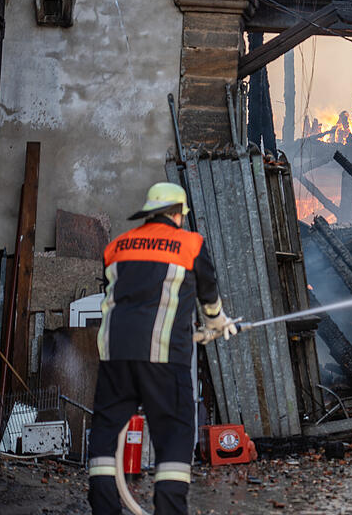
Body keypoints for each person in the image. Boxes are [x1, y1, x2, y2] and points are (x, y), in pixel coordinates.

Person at [87, 182, 238, 515]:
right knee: (173, 438)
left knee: (104, 438)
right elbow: (208, 294)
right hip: (163, 359)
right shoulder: (190, 244)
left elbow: (135, 298)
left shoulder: (117, 247)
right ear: (177, 214)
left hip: (115, 356)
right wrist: (217, 322)